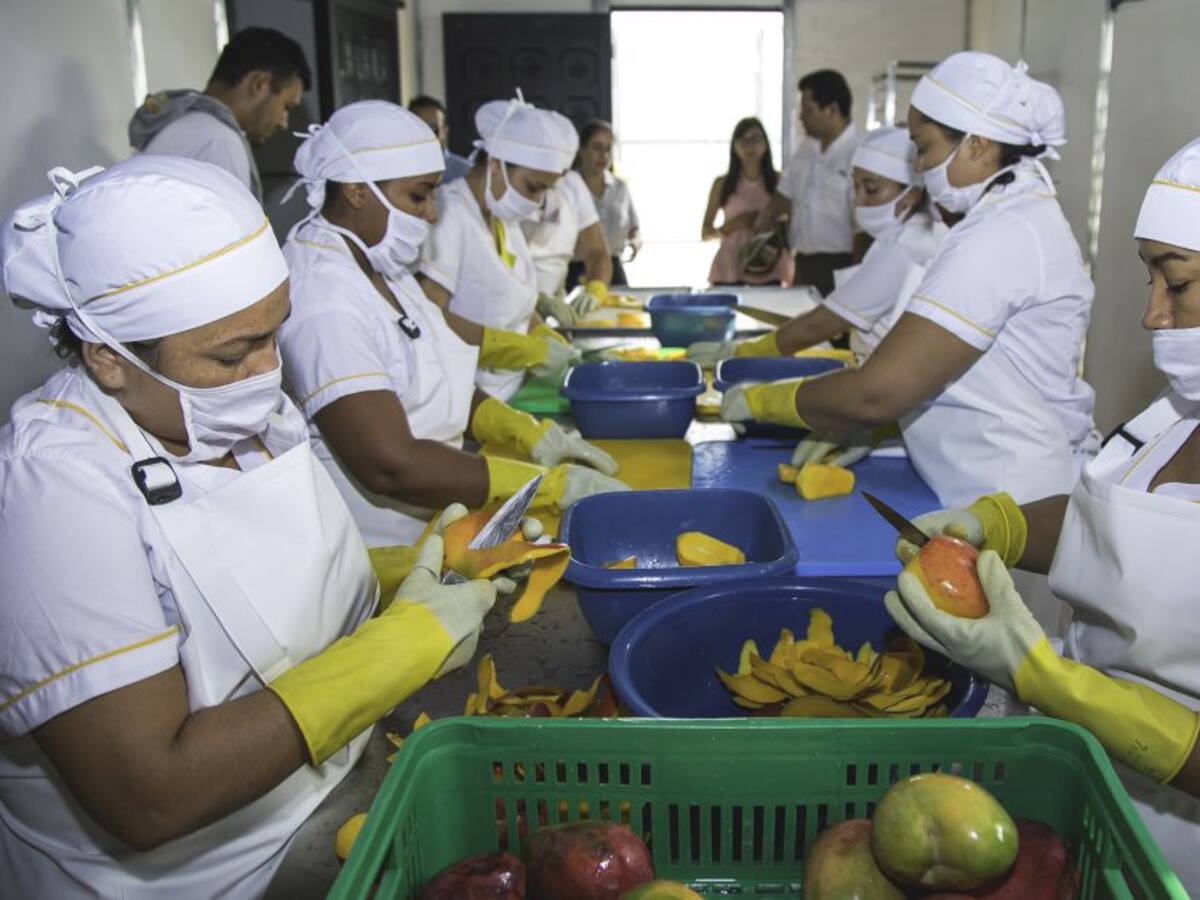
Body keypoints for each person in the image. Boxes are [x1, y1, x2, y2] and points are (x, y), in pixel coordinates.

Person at [0, 156, 497, 897]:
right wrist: (401, 649)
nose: (268, 370)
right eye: (233, 353)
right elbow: (150, 792)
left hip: (334, 791)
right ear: (109, 359)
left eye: (274, 333)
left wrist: (409, 569)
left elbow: (260, 583)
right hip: (211, 879)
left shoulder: (238, 407)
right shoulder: (51, 490)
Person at [884, 135, 1200, 894]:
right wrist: (1000, 524)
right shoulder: (1175, 414)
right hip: (1079, 781)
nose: (1152, 314)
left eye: (1179, 282)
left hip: (1171, 846)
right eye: (1149, 278)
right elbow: (1121, 531)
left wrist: (1051, 680)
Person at [721, 52, 1099, 529]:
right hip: (974, 479)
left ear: (978, 145)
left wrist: (764, 401)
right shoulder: (1003, 218)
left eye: (924, 148)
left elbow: (879, 390)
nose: (920, 166)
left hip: (1014, 497)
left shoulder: (1003, 234)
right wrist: (875, 423)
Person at [278, 101, 626, 547]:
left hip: (433, 522)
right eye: (418, 196)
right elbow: (388, 464)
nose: (431, 213)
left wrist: (522, 430)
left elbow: (444, 371)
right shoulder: (323, 297)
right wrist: (542, 487)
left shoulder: (382, 267)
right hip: (378, 545)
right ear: (357, 191)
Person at [692, 126, 941, 368]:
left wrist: (744, 352)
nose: (859, 199)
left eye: (871, 189)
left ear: (911, 196)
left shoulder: (907, 249)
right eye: (855, 187)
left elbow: (819, 325)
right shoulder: (895, 238)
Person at [418, 94, 581, 401]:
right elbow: (428, 317)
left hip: (513, 390)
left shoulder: (502, 215)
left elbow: (517, 306)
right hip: (470, 399)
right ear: (495, 165)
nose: (537, 201)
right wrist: (515, 348)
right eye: (533, 187)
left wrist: (541, 335)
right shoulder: (449, 215)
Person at [129, 26, 310, 201]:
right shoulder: (220, 143)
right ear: (259, 83)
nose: (283, 123)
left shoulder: (184, 124)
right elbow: (233, 223)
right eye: (286, 107)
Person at [758, 69, 860, 296]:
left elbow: (865, 229)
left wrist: (856, 281)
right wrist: (763, 224)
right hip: (803, 264)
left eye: (808, 109)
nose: (801, 117)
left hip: (842, 266)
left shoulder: (859, 153)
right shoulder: (806, 149)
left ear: (831, 109)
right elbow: (783, 196)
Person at [702, 117, 794, 287]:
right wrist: (730, 227)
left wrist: (770, 221)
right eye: (743, 140)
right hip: (730, 265)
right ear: (734, 146)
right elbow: (706, 233)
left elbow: (793, 223)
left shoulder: (779, 181)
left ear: (766, 144)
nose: (750, 145)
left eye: (756, 138)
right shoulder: (722, 184)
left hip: (769, 263)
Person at [522, 159, 614, 327]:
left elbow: (596, 251)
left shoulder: (572, 184)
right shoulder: (510, 187)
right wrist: (534, 300)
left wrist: (596, 289)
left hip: (558, 308)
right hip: (511, 307)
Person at [570, 119, 639, 289]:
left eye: (608, 149)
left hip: (614, 266)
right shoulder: (567, 187)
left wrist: (634, 243)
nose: (604, 155)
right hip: (576, 269)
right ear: (581, 149)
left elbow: (634, 228)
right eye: (597, 148)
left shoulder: (620, 188)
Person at [408, 94, 472, 184]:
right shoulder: (397, 172)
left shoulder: (467, 173)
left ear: (445, 131)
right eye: (419, 128)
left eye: (433, 129)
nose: (427, 136)